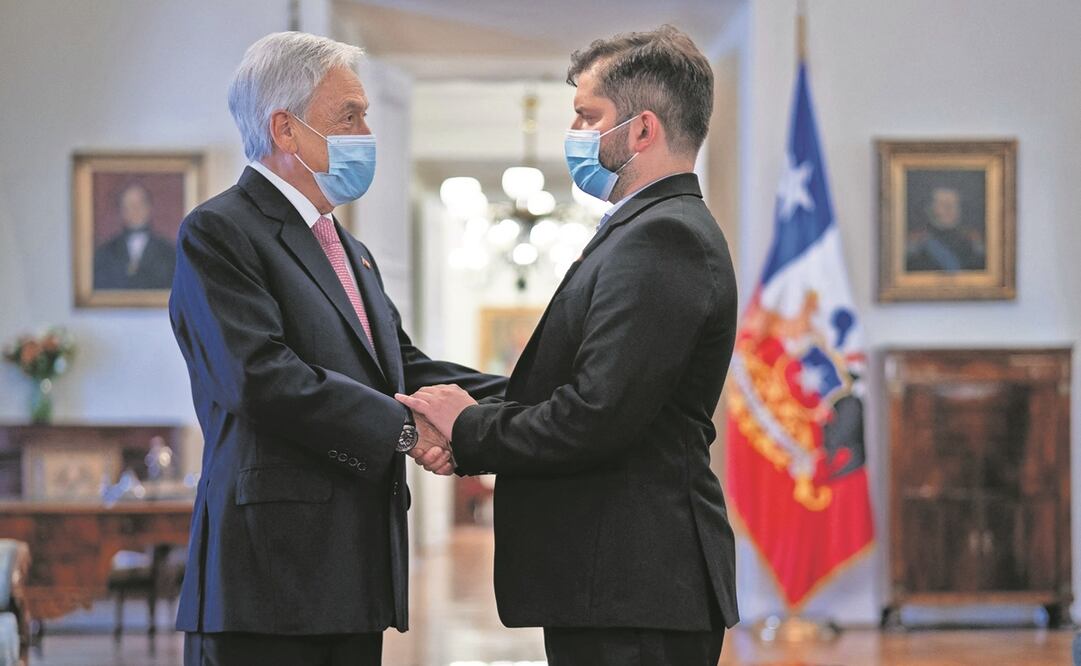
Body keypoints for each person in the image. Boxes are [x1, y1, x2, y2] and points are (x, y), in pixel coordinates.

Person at [399, 25, 739, 666]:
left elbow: (594, 417)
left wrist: (470, 431)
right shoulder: (645, 229)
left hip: (634, 585)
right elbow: (564, 391)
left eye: (588, 116)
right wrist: (440, 391)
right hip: (615, 583)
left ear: (641, 130)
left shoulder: (664, 238)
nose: (576, 133)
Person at [168, 32, 504, 666]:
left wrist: (530, 392)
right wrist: (409, 430)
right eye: (348, 116)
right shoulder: (219, 231)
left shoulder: (351, 251)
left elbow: (403, 368)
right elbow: (260, 377)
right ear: (286, 130)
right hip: (267, 578)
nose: (366, 132)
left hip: (351, 573)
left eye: (365, 116)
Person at [93, 182, 176, 289]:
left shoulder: (169, 251)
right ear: (121, 211)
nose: (135, 210)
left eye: (140, 204)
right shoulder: (105, 252)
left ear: (149, 208)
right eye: (129, 205)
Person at [905, 185, 986, 272]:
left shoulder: (973, 240)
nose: (949, 208)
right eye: (942, 203)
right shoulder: (916, 241)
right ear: (929, 208)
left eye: (954, 204)